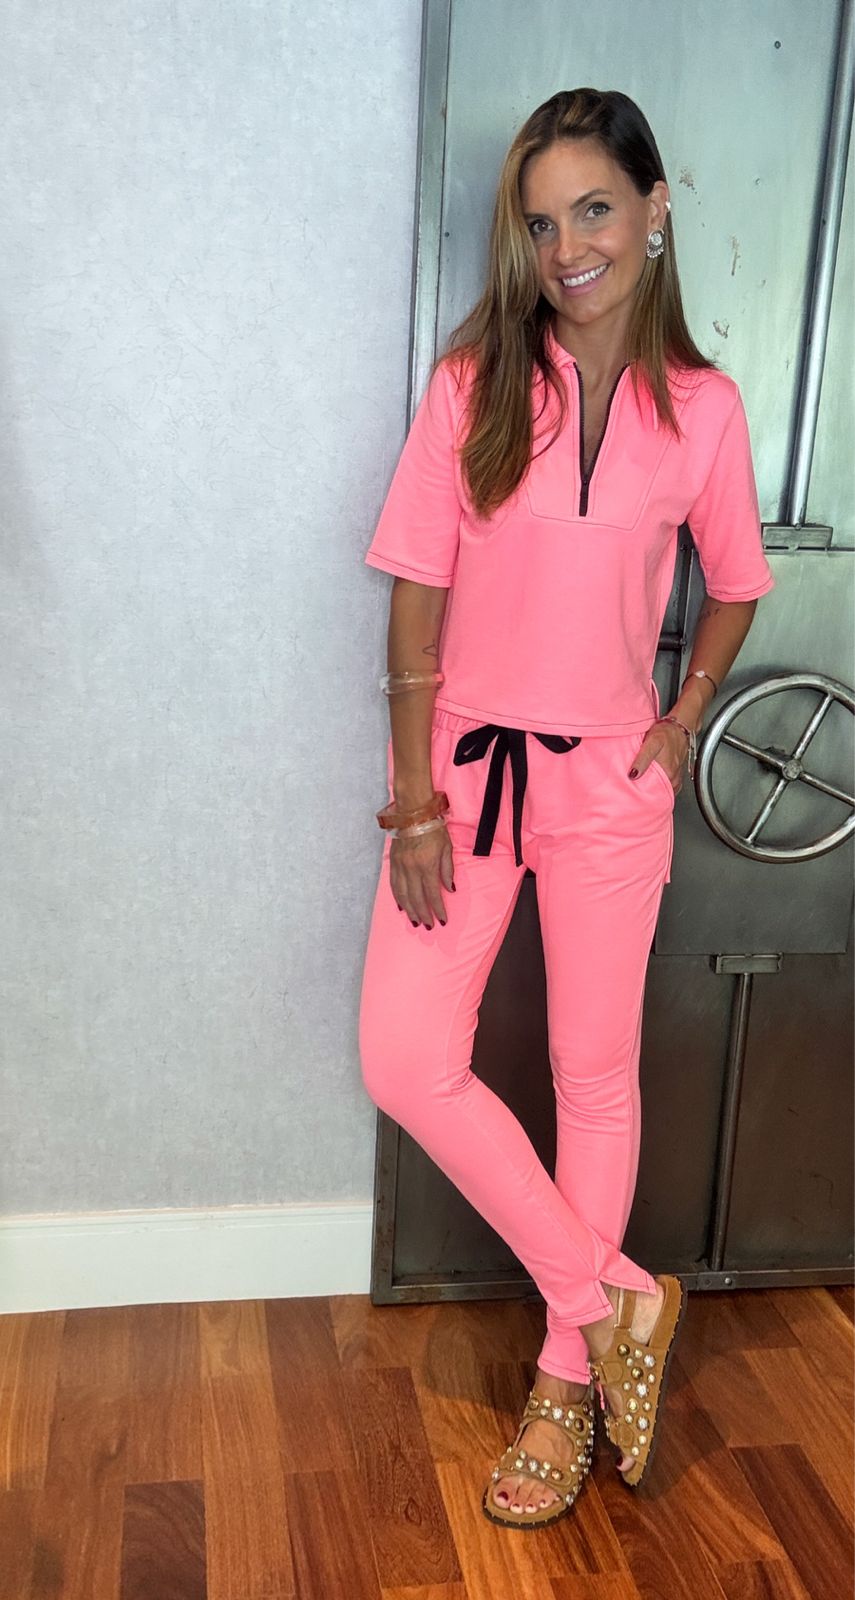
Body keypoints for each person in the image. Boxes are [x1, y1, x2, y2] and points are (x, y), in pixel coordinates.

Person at [358, 87, 775, 1530]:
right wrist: (415, 800)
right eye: (540, 223)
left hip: (611, 786)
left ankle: (562, 1382)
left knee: (595, 1077)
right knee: (406, 1057)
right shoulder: (473, 385)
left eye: (594, 209)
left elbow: (737, 583)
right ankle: (613, 1302)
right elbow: (415, 600)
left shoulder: (705, 411)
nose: (567, 246)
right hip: (463, 779)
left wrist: (679, 717)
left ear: (655, 208)